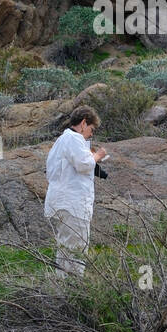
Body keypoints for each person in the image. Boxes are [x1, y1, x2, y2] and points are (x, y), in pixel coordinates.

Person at [43, 105, 107, 277]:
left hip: (61, 202)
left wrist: (90, 156)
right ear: (84, 123)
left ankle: (62, 285)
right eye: (91, 129)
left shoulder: (63, 140)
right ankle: (76, 289)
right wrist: (98, 155)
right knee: (77, 248)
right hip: (72, 204)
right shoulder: (73, 138)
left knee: (65, 247)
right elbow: (84, 164)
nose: (91, 134)